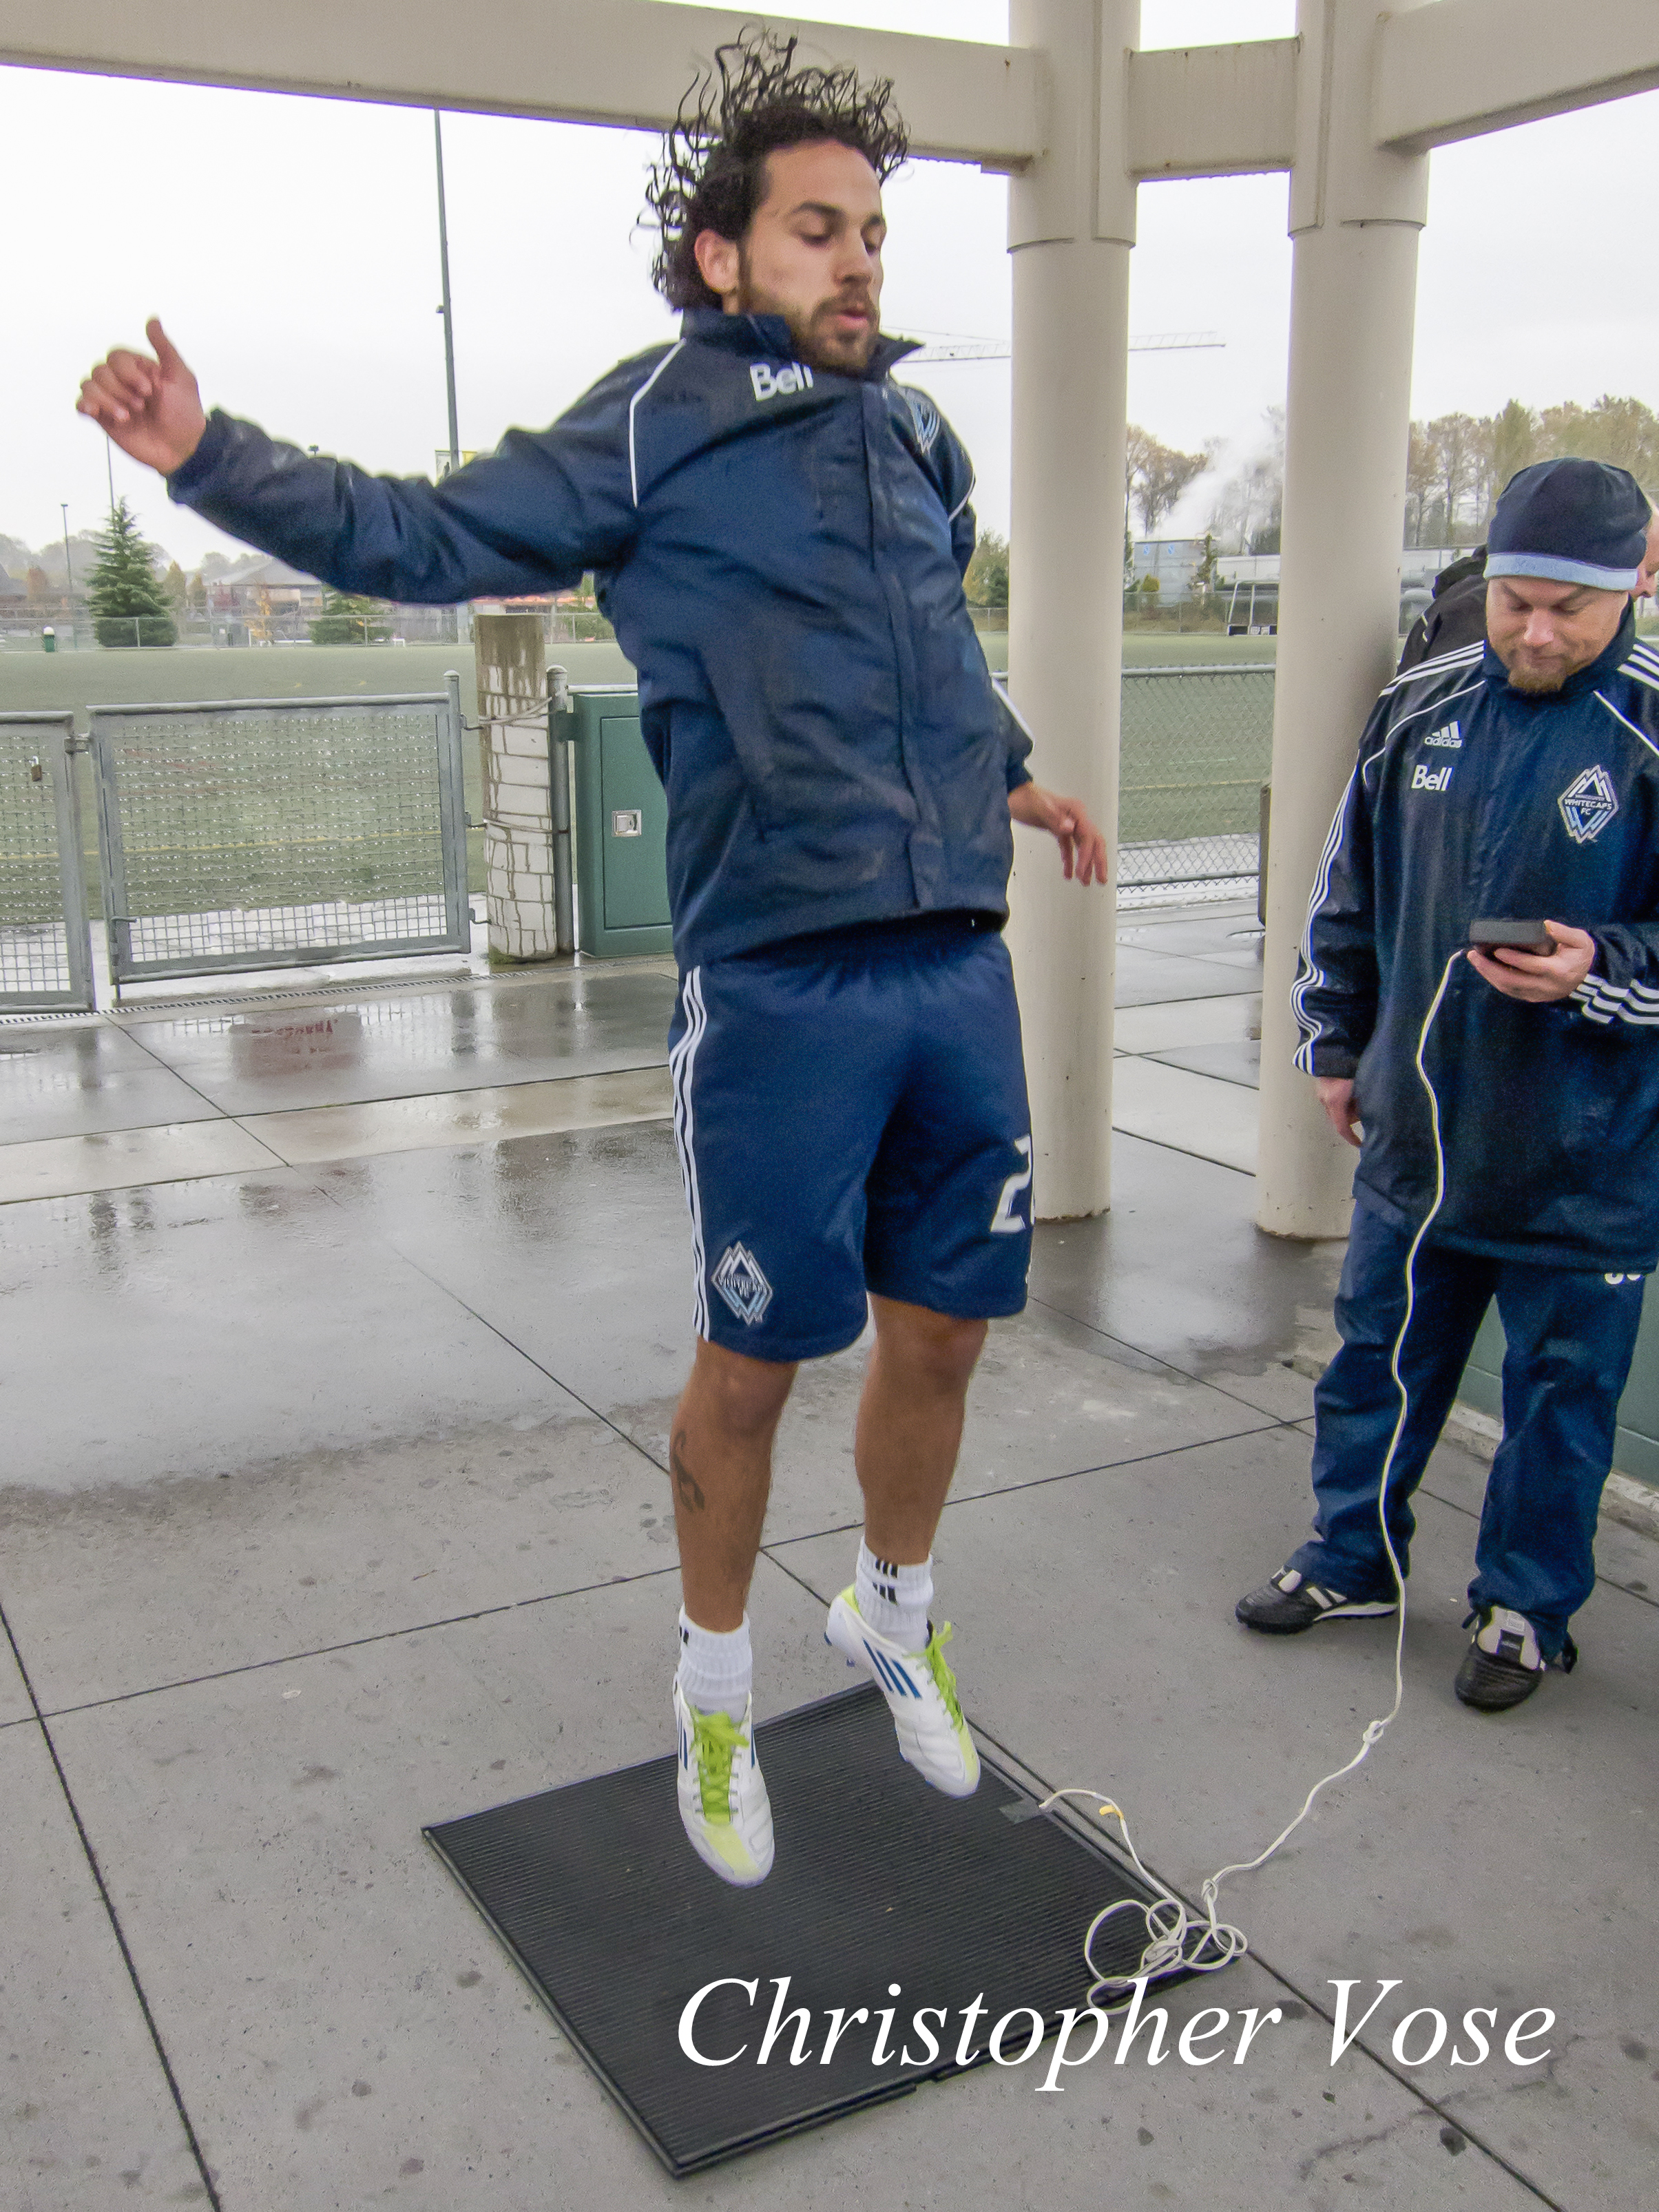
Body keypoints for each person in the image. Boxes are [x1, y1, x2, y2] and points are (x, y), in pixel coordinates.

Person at [77, 32, 1105, 1885]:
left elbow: (924, 644)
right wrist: (205, 455)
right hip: (783, 977)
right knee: (753, 1360)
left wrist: (1014, 770)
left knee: (943, 1331)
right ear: (725, 255)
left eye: (873, 229)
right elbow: (423, 534)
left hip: (957, 953)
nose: (859, 259)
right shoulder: (650, 425)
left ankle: (891, 1608)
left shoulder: (917, 433)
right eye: (818, 228)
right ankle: (714, 1688)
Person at [1236, 457, 1659, 1711]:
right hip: (1418, 1139)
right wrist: (1332, 1039)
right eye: (1514, 599)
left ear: (1638, 582)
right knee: (1374, 1360)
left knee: (1557, 1400)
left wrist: (1601, 970)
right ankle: (1350, 1558)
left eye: (1568, 610)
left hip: (1586, 1157)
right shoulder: (1416, 703)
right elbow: (1345, 888)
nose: (1535, 630)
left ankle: (1524, 1609)